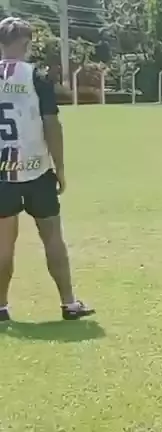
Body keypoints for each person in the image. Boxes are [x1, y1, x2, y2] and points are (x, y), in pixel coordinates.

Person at [0, 17, 94, 322]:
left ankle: (0, 308)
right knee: (52, 237)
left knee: (3, 244)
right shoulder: (36, 77)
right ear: (26, 43)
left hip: (2, 174)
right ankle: (69, 303)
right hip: (36, 171)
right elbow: (51, 124)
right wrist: (60, 167)